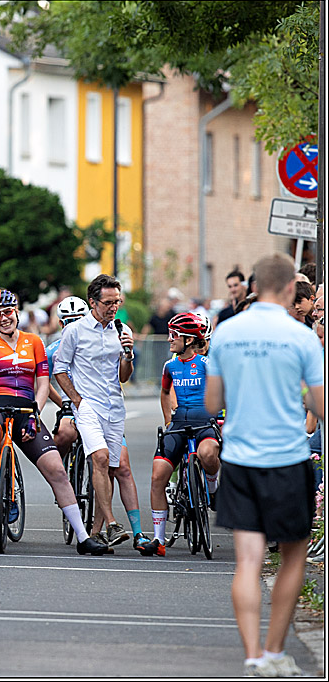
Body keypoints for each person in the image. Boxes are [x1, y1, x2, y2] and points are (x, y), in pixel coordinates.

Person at [205, 252, 324, 676]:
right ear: (291, 287)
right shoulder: (302, 337)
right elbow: (320, 405)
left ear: (254, 287)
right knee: (293, 558)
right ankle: (275, 651)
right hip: (289, 458)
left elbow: (212, 403)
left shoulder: (227, 332)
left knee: (248, 561)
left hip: (240, 459)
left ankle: (253, 654)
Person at [0, 289, 109, 556]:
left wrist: (35, 413)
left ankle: (82, 537)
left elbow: (43, 383)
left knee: (56, 469)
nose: (4, 318)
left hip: (25, 408)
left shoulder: (34, 342)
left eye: (8, 312)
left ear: (16, 312)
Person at [53, 275, 146, 551]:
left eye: (117, 301)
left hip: (115, 406)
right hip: (88, 406)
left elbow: (124, 376)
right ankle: (113, 523)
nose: (113, 307)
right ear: (92, 302)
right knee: (100, 458)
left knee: (110, 468)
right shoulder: (75, 331)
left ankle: (95, 533)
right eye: (108, 302)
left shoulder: (121, 329)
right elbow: (60, 369)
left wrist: (128, 354)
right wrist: (77, 400)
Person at [142, 312, 222, 556]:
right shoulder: (170, 366)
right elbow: (165, 392)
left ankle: (212, 487)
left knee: (208, 454)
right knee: (158, 475)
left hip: (204, 423)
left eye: (174, 335)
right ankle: (158, 539)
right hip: (178, 424)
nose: (169, 339)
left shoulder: (207, 364)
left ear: (188, 339)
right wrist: (168, 420)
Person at [45, 296, 89, 457]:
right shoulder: (52, 351)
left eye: (79, 320)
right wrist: (62, 404)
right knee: (64, 435)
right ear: (61, 324)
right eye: (69, 321)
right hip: (70, 404)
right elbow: (43, 383)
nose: (74, 326)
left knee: (120, 463)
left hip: (96, 402)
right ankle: (60, 468)